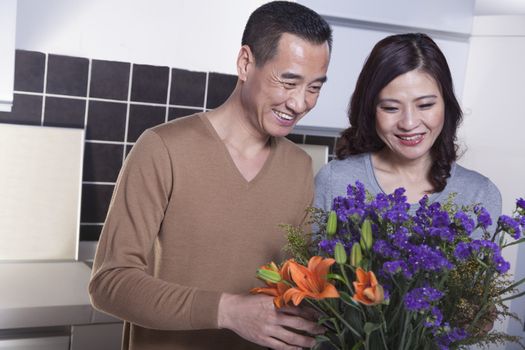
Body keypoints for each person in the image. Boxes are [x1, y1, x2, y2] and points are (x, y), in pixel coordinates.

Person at [89, 2, 332, 350]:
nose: (300, 103)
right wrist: (228, 310)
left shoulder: (300, 166)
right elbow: (109, 283)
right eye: (288, 81)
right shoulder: (162, 148)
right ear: (245, 63)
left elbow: (299, 284)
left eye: (315, 87)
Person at [315, 33, 501, 227]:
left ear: (447, 104)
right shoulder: (334, 181)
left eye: (425, 105)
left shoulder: (480, 194)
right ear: (370, 110)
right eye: (391, 108)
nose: (409, 123)